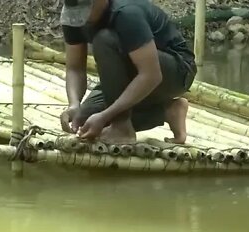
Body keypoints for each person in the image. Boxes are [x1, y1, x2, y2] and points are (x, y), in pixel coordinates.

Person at [58, 0, 197, 145]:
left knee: (104, 39)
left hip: (176, 71)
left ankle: (121, 128)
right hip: (132, 70)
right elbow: (75, 68)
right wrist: (74, 105)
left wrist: (108, 115)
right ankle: (168, 111)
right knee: (83, 122)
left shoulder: (126, 13)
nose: (83, 19)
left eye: (86, 10)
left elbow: (151, 75)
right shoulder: (72, 17)